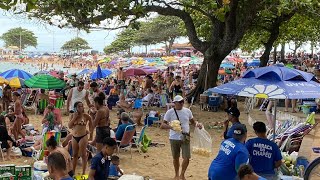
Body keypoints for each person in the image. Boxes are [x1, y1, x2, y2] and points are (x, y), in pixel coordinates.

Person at [161, 95, 202, 180]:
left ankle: (182, 174)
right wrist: (171, 127)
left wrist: (198, 125)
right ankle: (176, 174)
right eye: (179, 102)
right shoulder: (170, 112)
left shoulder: (187, 111)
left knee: (186, 157)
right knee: (175, 157)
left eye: (182, 102)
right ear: (175, 103)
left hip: (185, 136)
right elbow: (163, 125)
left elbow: (193, 122)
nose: (181, 104)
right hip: (174, 137)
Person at [68, 101, 92, 175]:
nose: (81, 108)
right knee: (74, 155)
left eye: (82, 106)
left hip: (83, 136)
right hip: (74, 136)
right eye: (79, 106)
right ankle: (73, 172)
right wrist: (75, 117)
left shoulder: (86, 116)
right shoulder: (72, 115)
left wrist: (91, 135)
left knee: (83, 155)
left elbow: (91, 123)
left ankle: (84, 173)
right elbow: (69, 126)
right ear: (75, 108)